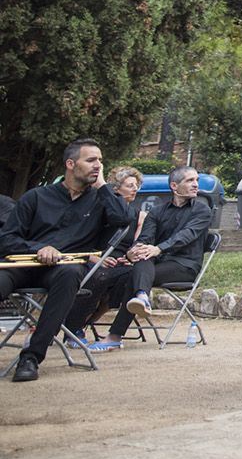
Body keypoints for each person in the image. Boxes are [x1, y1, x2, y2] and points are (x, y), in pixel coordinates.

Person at [0, 139, 134, 381]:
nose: (98, 165)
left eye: (100, 161)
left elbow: (124, 219)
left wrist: (102, 185)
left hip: (63, 270)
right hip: (23, 264)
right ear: (70, 164)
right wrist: (39, 248)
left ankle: (31, 357)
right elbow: (7, 239)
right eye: (91, 160)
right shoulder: (36, 196)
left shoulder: (100, 200)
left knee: (70, 274)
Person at [85, 166, 211, 353]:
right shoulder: (157, 211)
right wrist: (132, 253)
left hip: (184, 265)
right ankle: (141, 298)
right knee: (140, 260)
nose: (195, 185)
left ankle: (115, 335)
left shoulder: (202, 210)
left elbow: (187, 235)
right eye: (190, 180)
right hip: (154, 264)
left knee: (134, 274)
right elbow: (144, 239)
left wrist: (158, 248)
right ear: (174, 186)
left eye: (197, 180)